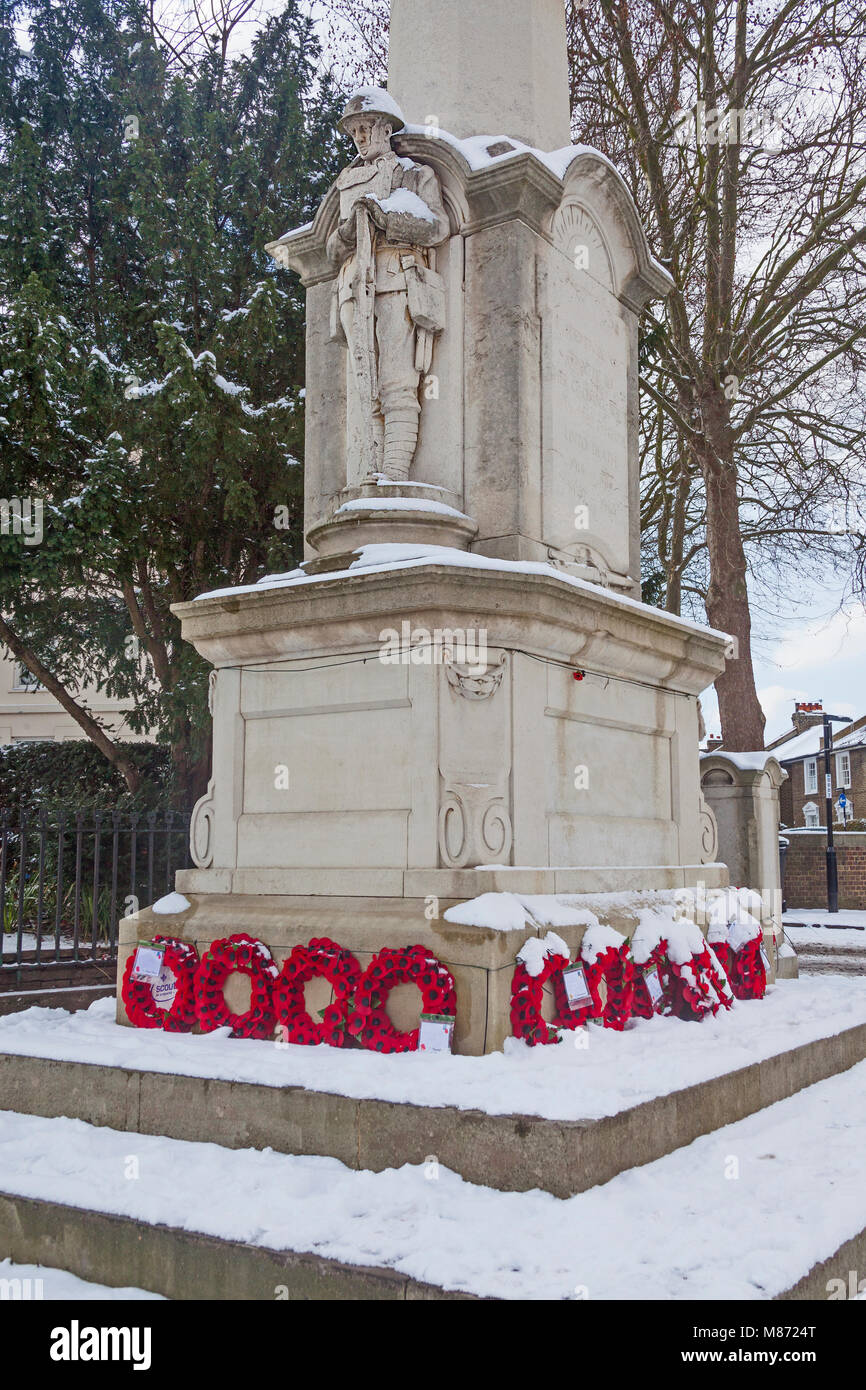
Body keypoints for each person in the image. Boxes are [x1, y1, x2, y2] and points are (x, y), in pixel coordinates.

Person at [326, 87, 449, 482]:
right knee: (368, 388)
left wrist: (385, 217)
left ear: (385, 128)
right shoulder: (347, 181)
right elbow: (330, 248)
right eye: (354, 132)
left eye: (367, 129)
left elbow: (436, 226)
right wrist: (348, 231)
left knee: (398, 383)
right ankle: (375, 468)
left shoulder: (413, 175)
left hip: (396, 282)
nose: (360, 138)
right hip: (352, 289)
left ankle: (394, 472)